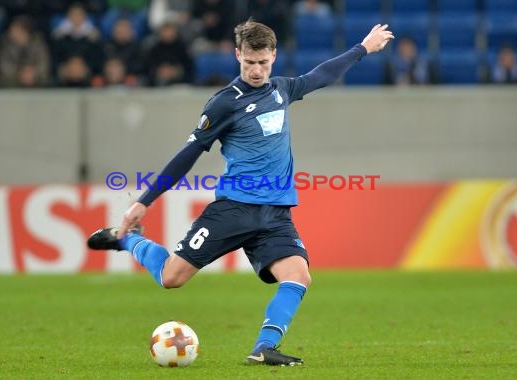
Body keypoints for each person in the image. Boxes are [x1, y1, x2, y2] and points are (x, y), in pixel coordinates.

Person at [88, 20, 394, 366]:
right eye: (249, 62)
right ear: (238, 56)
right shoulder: (224, 103)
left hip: (276, 215)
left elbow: (322, 75)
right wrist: (144, 202)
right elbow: (187, 155)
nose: (256, 70)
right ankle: (127, 239)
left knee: (299, 276)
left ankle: (264, 348)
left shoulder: (282, 89)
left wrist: (363, 48)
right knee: (171, 278)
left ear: (274, 56)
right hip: (234, 210)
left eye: (263, 63)